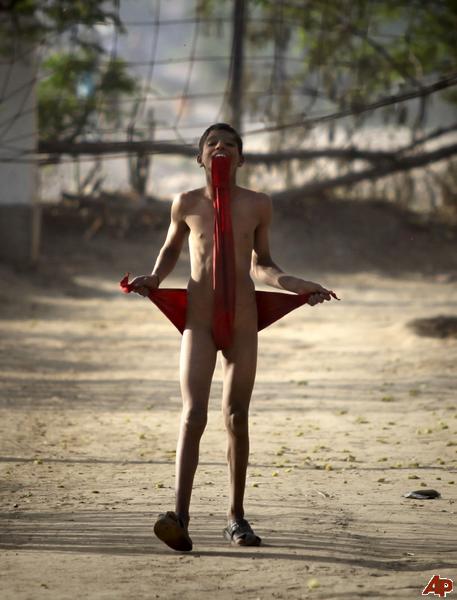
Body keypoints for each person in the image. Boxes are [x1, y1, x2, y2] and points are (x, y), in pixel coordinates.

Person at [129, 123, 336, 551]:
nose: (220, 148)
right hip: (199, 323)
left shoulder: (258, 204)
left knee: (237, 417)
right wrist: (155, 275)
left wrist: (293, 283)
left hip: (242, 323)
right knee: (193, 415)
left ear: (241, 159)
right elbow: (171, 250)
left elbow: (262, 263)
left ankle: (236, 517)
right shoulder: (185, 202)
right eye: (212, 144)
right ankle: (179, 516)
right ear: (200, 157)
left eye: (229, 145)